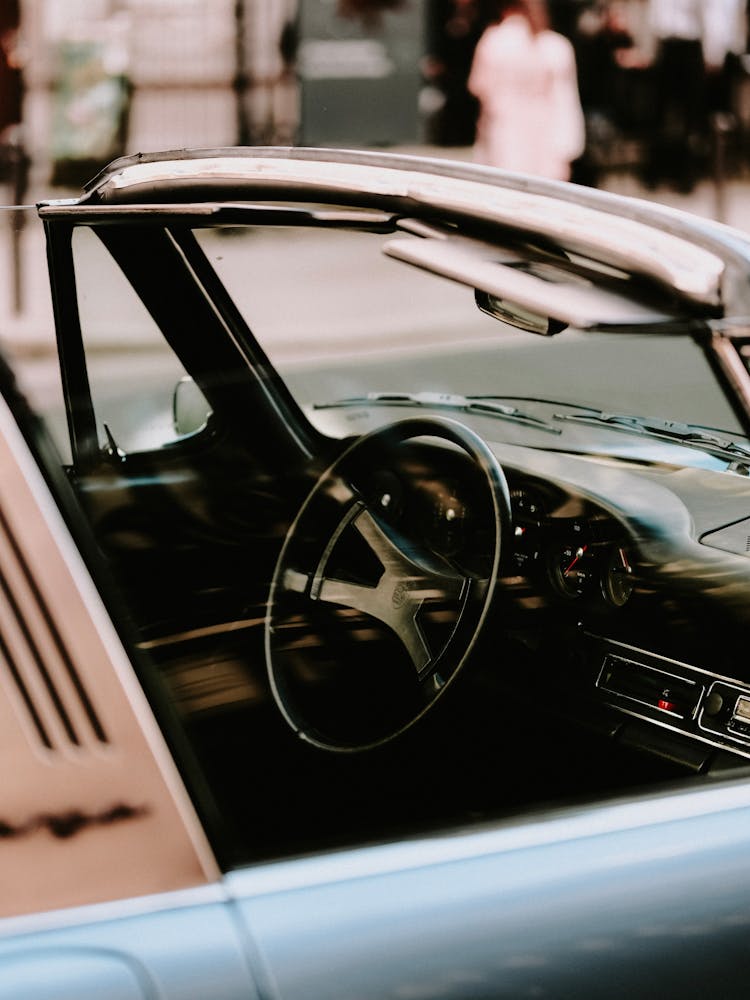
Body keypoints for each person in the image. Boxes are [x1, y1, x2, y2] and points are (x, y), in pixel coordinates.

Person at [467, 0, 585, 181]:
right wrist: (567, 147)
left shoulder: (493, 41)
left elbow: (478, 87)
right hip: (546, 136)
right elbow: (566, 100)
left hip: (503, 132)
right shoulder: (556, 45)